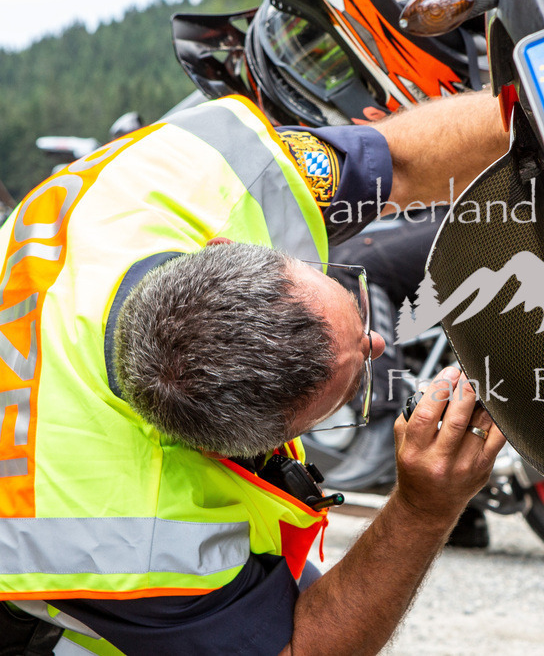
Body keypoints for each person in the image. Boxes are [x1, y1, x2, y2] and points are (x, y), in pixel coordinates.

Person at [0, 76, 508, 654]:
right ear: (234, 453)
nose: (374, 342)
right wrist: (422, 510)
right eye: (345, 397)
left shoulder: (194, 174)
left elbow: (403, 161)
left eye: (344, 288)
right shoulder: (119, 545)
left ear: (223, 248)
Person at [172, 0, 496, 548]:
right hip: (480, 196)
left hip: (484, 203)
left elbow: (394, 162)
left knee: (357, 259)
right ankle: (453, 498)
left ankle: (379, 424)